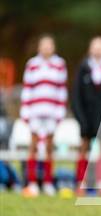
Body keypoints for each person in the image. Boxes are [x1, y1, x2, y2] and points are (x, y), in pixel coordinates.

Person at [20, 34, 67, 197]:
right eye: (44, 45)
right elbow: (27, 88)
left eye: (49, 45)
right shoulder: (32, 64)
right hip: (35, 111)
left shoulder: (59, 64)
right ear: (39, 47)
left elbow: (61, 89)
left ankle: (47, 183)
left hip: (51, 112)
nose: (47, 48)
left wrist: (60, 111)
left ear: (53, 47)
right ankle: (32, 183)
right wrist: (25, 111)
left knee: (48, 148)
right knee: (33, 146)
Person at [72, 36, 101, 196]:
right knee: (83, 149)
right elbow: (76, 96)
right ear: (90, 49)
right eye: (95, 46)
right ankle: (81, 182)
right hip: (86, 117)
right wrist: (81, 118)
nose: (98, 50)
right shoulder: (83, 68)